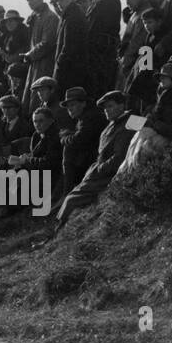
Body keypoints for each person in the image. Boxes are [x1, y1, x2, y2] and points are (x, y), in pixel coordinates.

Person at [47, 91, 135, 239]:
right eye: (105, 107)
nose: (106, 110)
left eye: (110, 106)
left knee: (71, 199)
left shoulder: (130, 121)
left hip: (109, 174)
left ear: (122, 105)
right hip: (98, 169)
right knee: (73, 195)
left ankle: (56, 235)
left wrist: (101, 168)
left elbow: (119, 157)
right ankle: (58, 230)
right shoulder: (112, 124)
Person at [82, 0, 122, 100]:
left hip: (103, 54)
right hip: (95, 53)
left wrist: (99, 48)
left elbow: (108, 28)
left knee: (103, 90)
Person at [60, 85, 106, 192]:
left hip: (96, 160)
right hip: (90, 158)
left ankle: (67, 191)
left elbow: (78, 140)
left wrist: (64, 138)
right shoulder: (83, 117)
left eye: (73, 105)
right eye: (67, 107)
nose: (69, 109)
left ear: (83, 103)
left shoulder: (90, 117)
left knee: (68, 149)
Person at [19, 0, 60, 105]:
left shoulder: (50, 17)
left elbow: (47, 43)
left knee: (40, 97)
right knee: (32, 97)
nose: (30, 2)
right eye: (28, 0)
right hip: (35, 63)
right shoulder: (35, 17)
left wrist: (29, 55)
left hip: (45, 63)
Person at [50, 0, 89, 93]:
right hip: (72, 65)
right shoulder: (70, 14)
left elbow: (69, 46)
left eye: (61, 0)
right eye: (58, 0)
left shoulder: (73, 16)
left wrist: (59, 65)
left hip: (70, 67)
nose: (59, 3)